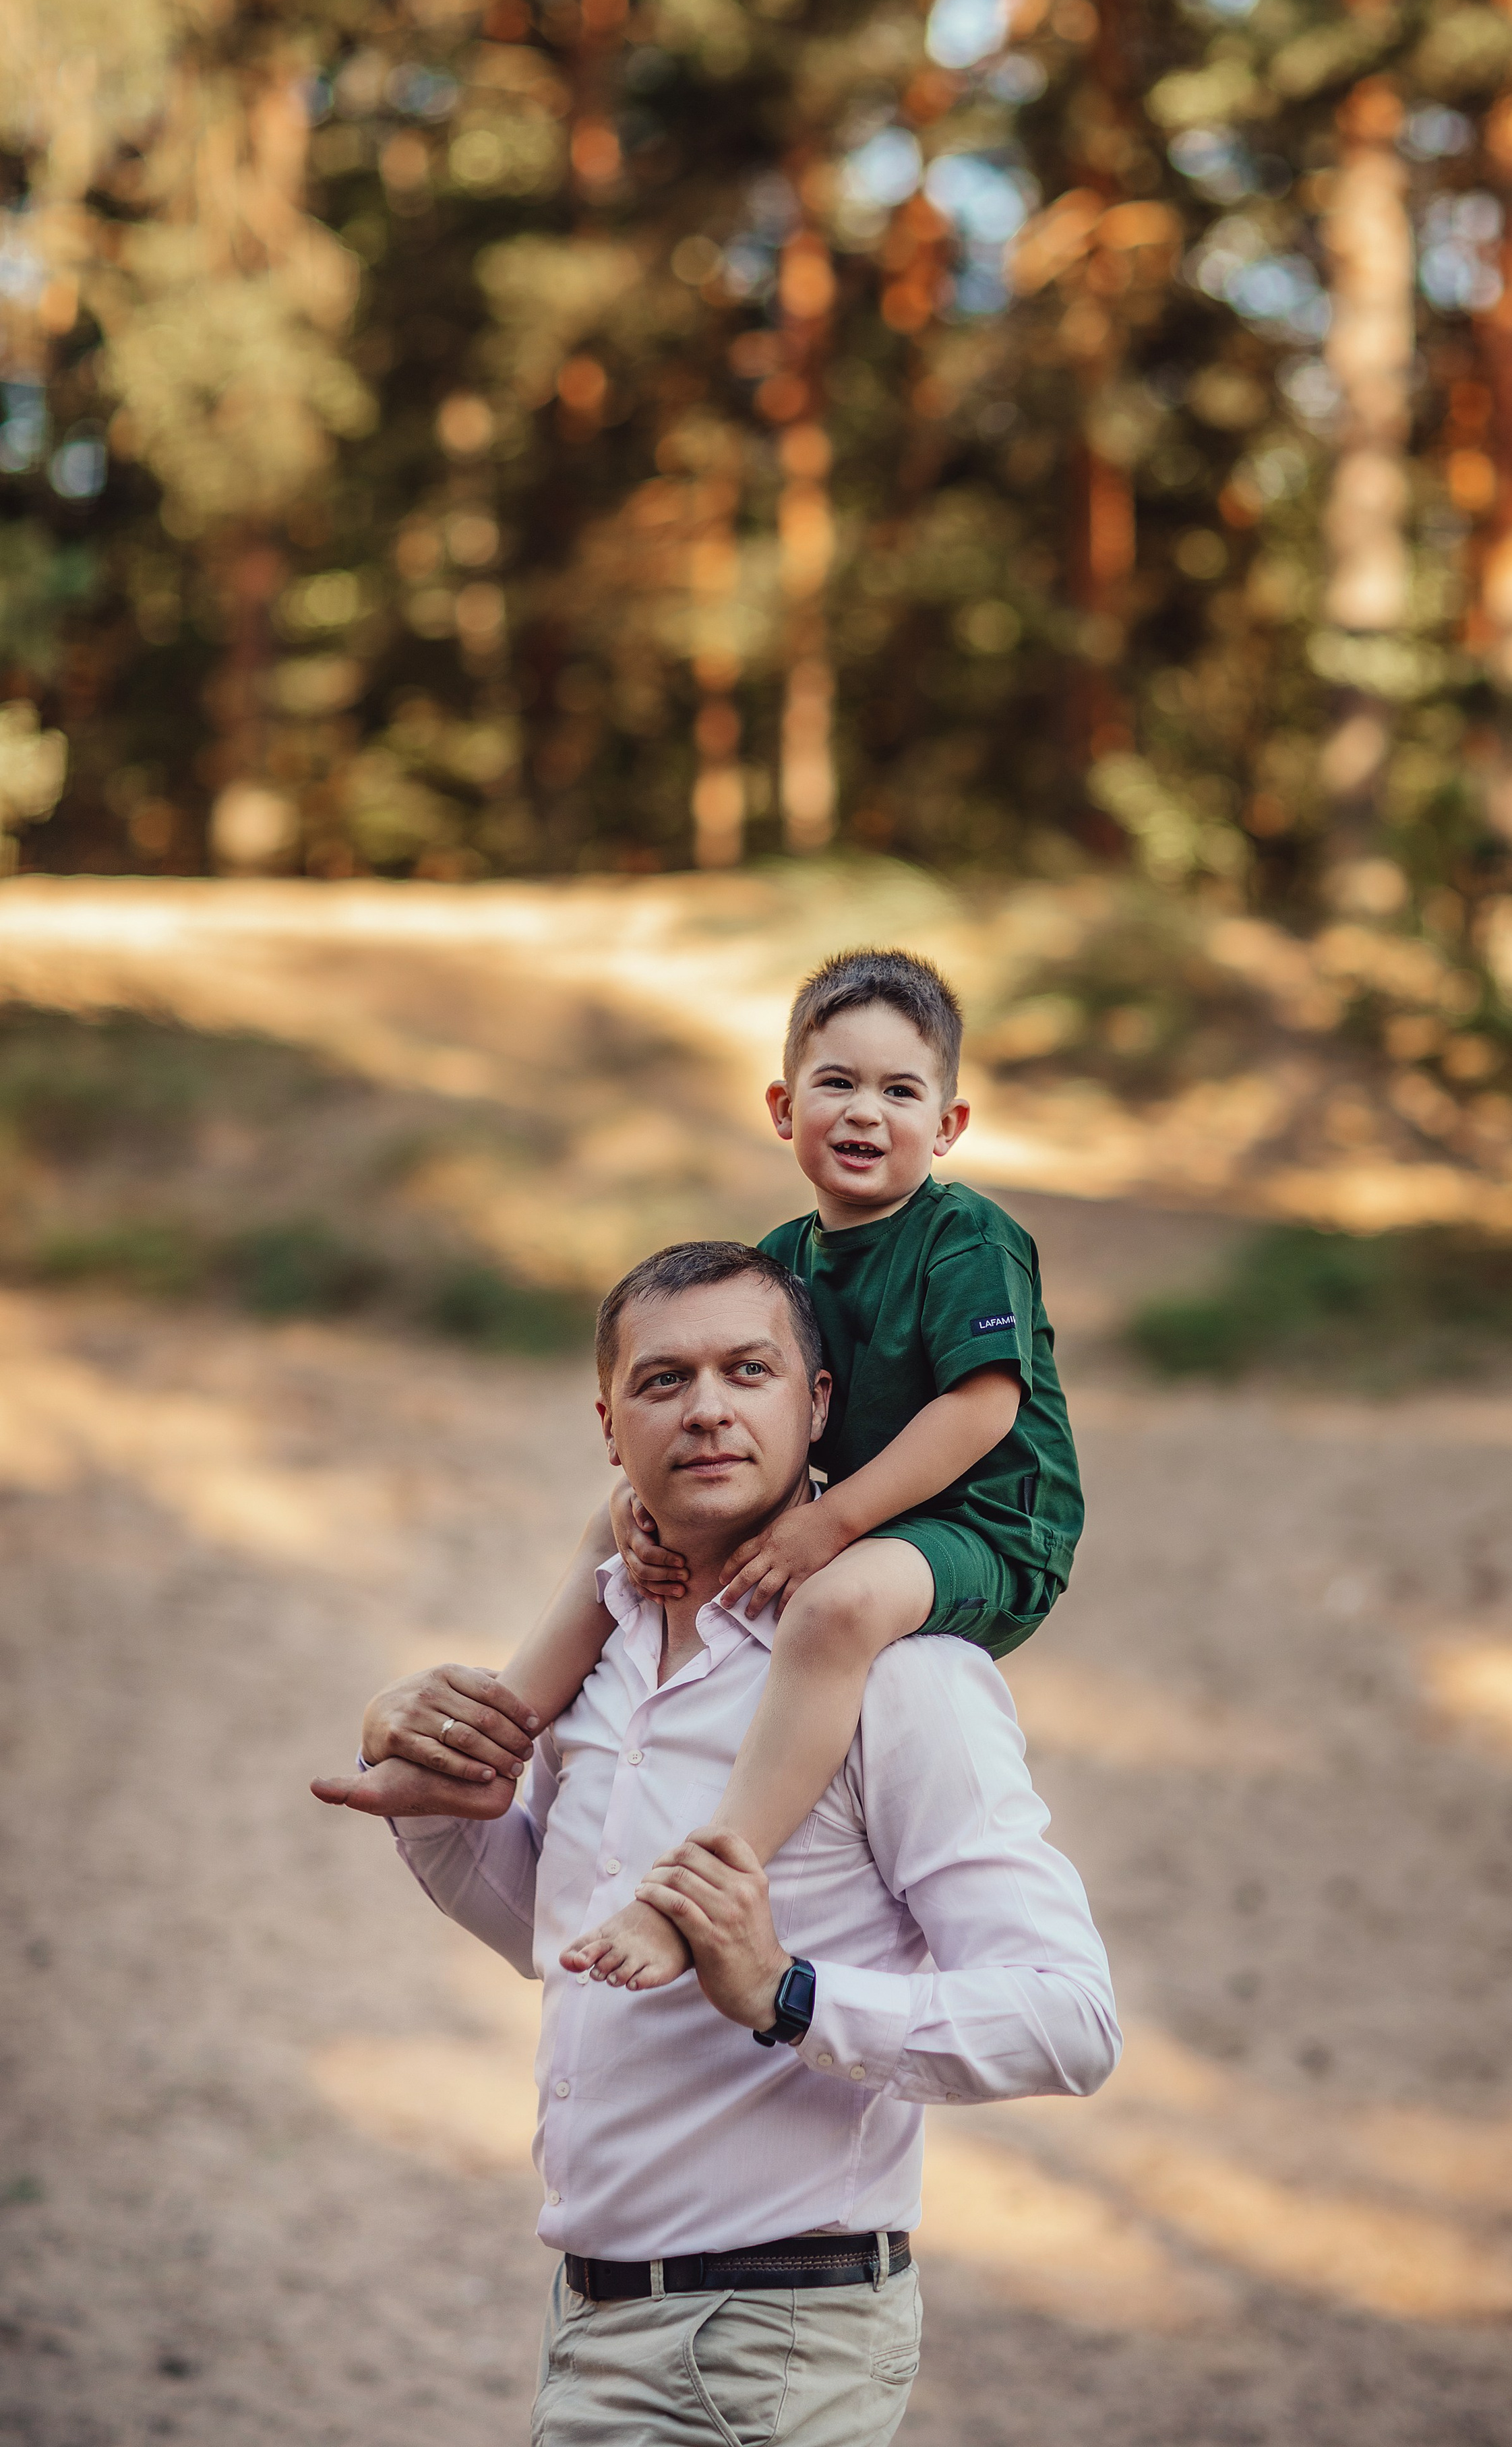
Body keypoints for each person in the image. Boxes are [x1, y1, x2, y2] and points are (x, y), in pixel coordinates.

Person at [313, 1242, 1118, 2447]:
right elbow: (556, 1945)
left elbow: (1071, 2021)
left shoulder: (904, 1680)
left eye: (750, 1371)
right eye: (663, 1381)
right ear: (608, 1423)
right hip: (594, 2325)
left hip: (770, 2339)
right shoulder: (608, 1655)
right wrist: (433, 1782)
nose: (708, 1410)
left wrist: (787, 1995)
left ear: (819, 1404)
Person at [327, 950, 1084, 2000]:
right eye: (838, 1084)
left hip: (988, 1523)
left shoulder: (966, 1237)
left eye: (901, 1091)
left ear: (949, 1126)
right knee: (614, 1536)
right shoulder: (781, 1258)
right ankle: (481, 1745)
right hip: (874, 1521)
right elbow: (745, 1402)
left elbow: (982, 1406)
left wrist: (833, 1525)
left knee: (831, 1612)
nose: (867, 1112)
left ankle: (707, 1877)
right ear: (783, 1108)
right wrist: (637, 1513)